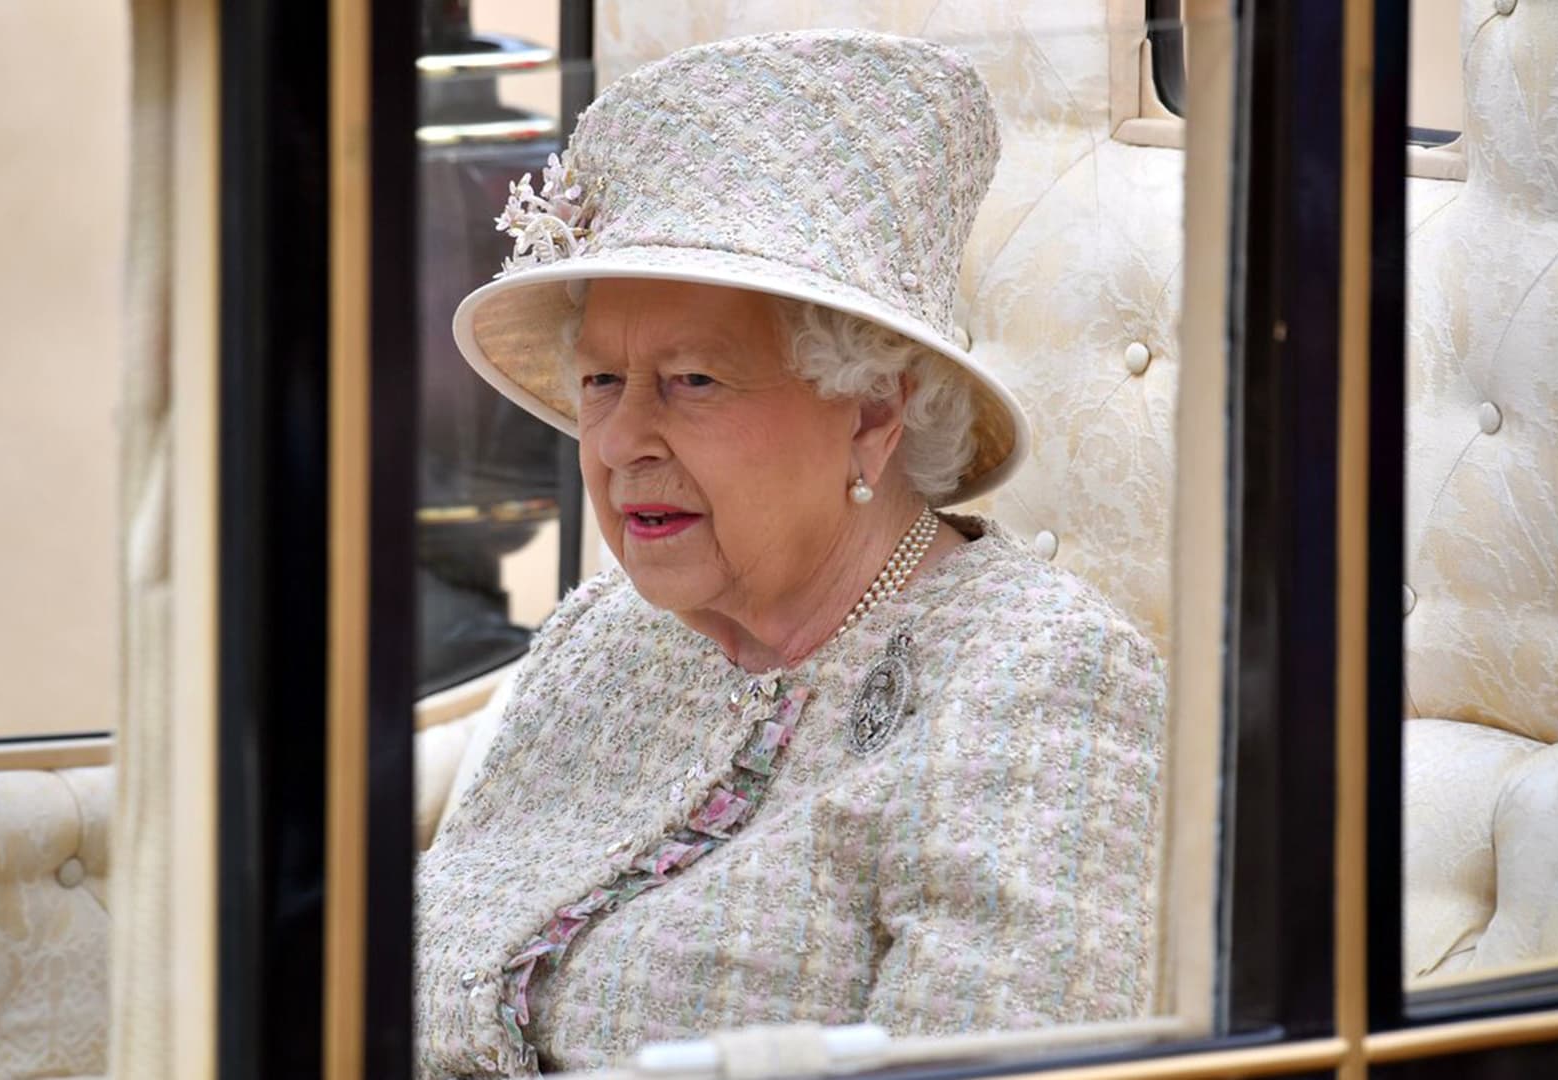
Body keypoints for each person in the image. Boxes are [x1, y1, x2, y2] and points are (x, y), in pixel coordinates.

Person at [415, 29, 1165, 1078]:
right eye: (600, 383)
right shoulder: (602, 638)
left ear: (870, 412)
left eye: (694, 382)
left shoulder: (1040, 679)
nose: (623, 440)